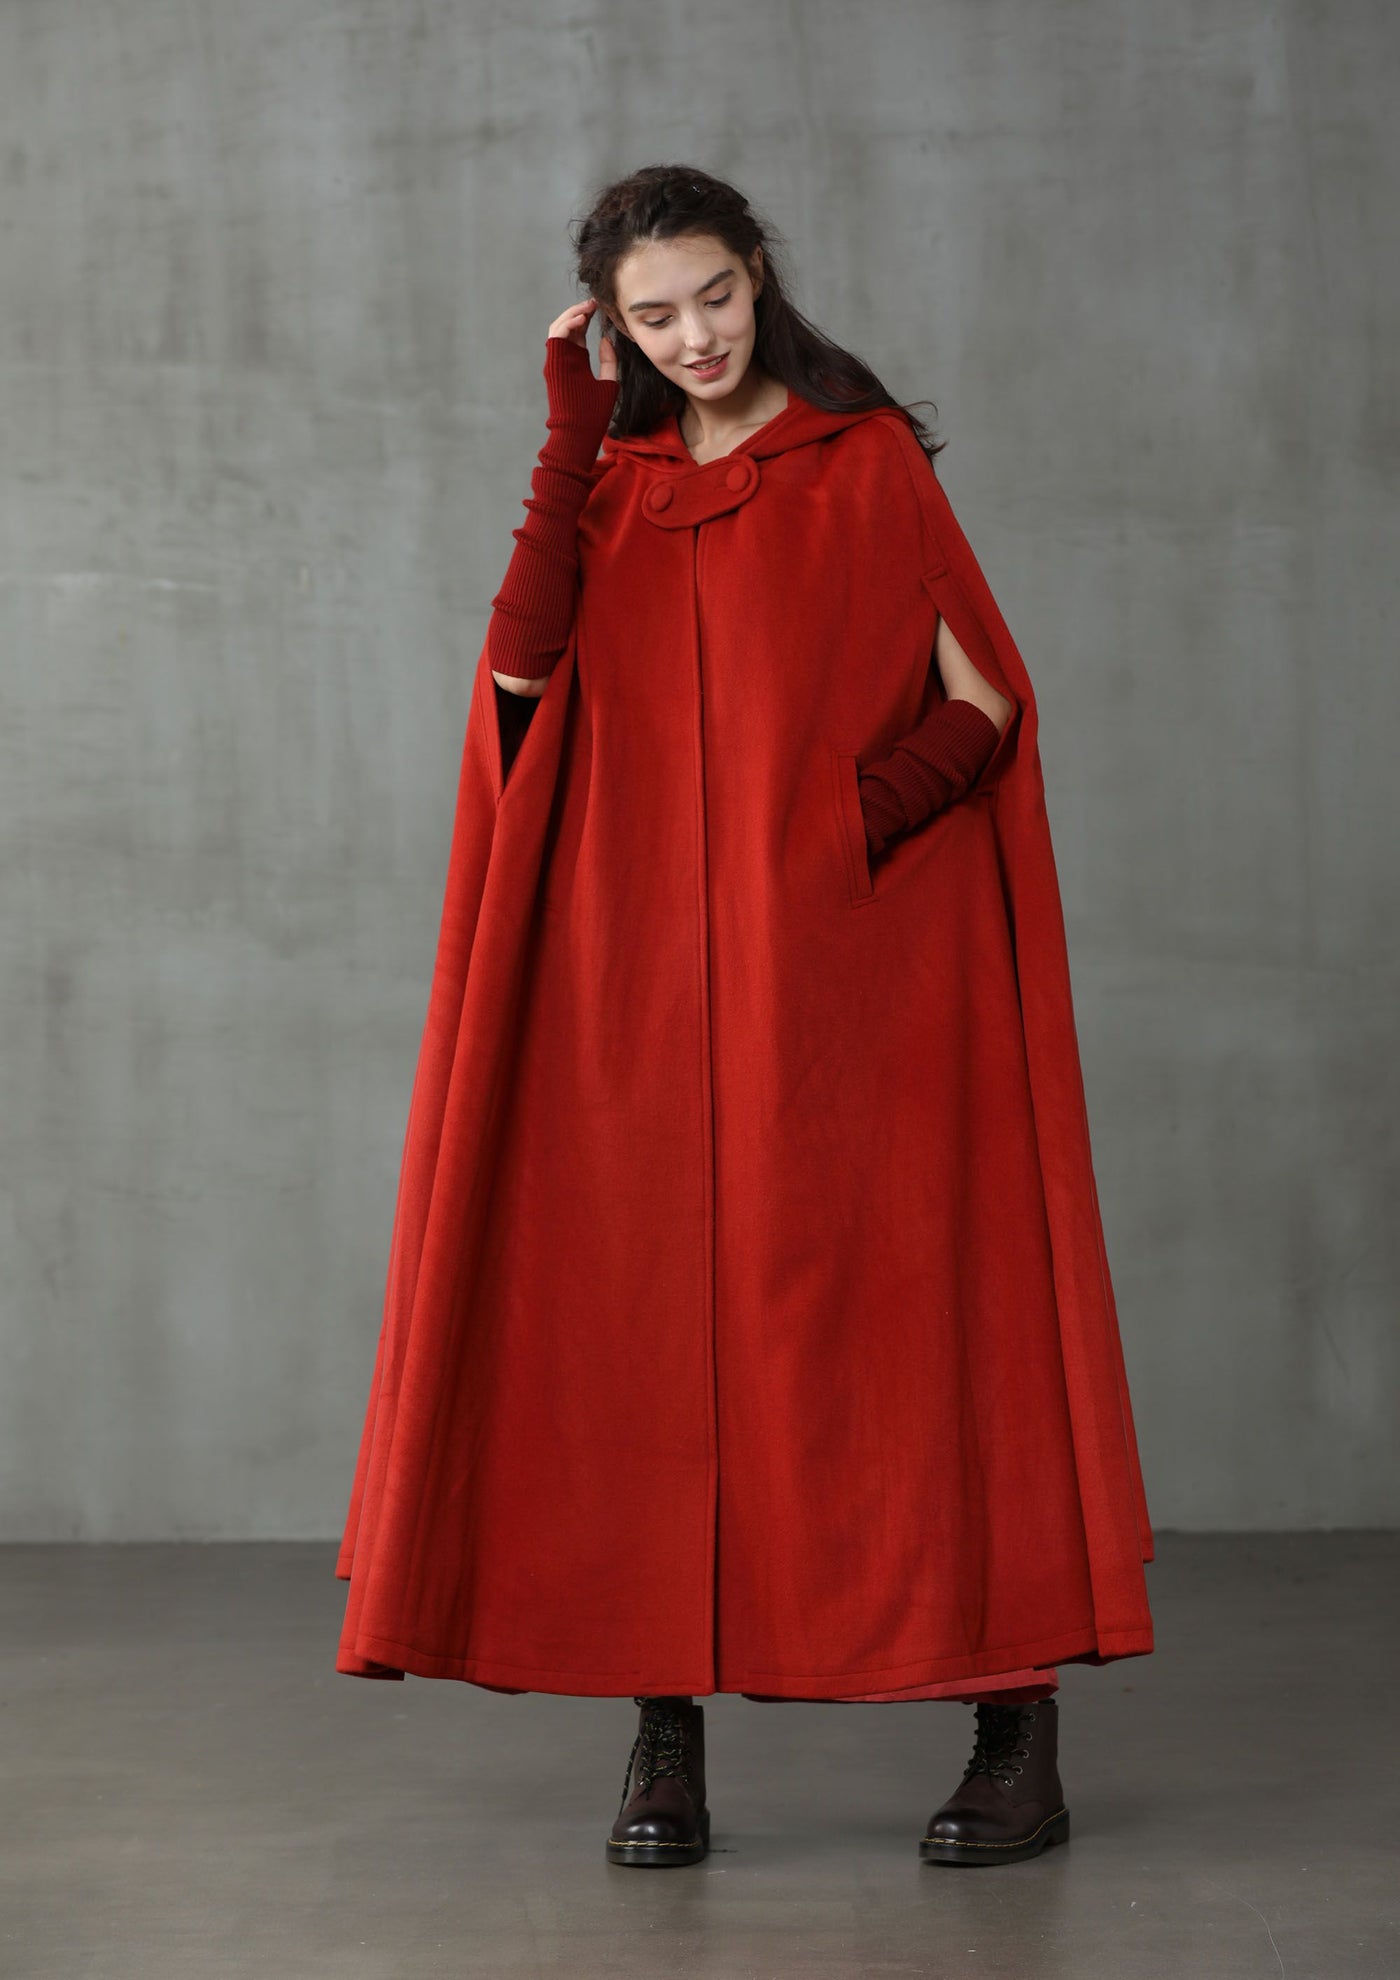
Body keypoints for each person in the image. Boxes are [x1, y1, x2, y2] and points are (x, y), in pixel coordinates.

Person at [335, 164, 1154, 1871]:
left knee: (920, 1329)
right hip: (636, 990)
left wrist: (840, 833)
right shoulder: (611, 486)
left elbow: (985, 696)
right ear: (610, 328)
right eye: (654, 316)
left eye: (714, 295)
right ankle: (665, 1735)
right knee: (645, 1342)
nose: (695, 336)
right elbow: (519, 679)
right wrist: (568, 436)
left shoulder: (863, 464)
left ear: (760, 275)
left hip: (846, 989)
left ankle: (1015, 1725)